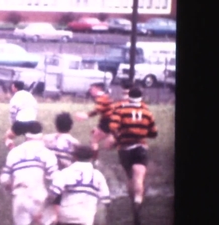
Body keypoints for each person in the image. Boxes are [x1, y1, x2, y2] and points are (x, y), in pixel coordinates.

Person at [108, 87, 158, 225]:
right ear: (141, 97)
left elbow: (112, 126)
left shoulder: (121, 110)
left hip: (124, 148)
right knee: (139, 177)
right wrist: (142, 132)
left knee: (130, 176)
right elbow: (154, 133)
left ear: (129, 96)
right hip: (140, 147)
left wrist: (118, 136)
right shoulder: (147, 111)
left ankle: (132, 202)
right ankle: (137, 202)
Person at [0, 121, 59, 225]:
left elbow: (4, 179)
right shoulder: (47, 153)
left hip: (19, 197)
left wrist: (11, 188)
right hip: (38, 197)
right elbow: (55, 179)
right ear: (41, 135)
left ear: (26, 135)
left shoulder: (14, 152)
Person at [47, 145, 111, 225]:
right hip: (85, 218)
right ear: (91, 158)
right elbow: (106, 200)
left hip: (65, 216)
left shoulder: (65, 172)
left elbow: (53, 194)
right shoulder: (98, 175)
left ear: (75, 157)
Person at [75, 82, 113, 164]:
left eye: (92, 89)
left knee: (94, 140)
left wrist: (86, 115)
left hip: (108, 122)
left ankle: (95, 161)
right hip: (107, 121)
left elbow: (97, 110)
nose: (90, 91)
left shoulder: (101, 98)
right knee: (95, 135)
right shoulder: (104, 96)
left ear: (98, 88)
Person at [4, 81, 38, 150]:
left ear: (15, 87)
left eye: (12, 86)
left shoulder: (15, 98)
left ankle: (13, 150)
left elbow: (13, 113)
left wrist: (13, 124)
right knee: (30, 139)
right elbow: (35, 107)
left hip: (21, 122)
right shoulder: (29, 95)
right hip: (32, 121)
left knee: (7, 137)